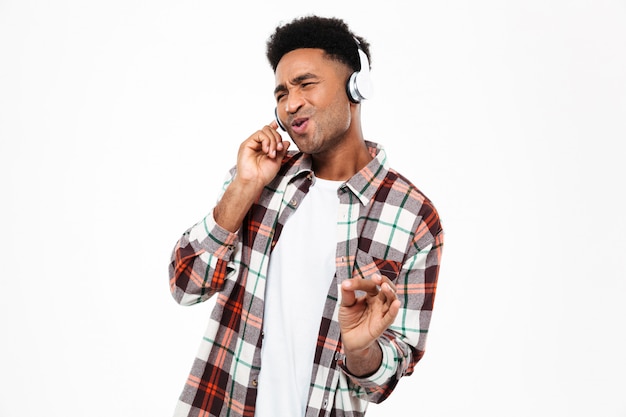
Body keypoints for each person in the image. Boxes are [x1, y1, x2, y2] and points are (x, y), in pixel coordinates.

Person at [169, 15, 444, 417]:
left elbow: (384, 378)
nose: (290, 102)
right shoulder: (259, 181)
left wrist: (360, 349)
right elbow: (185, 284)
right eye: (281, 93)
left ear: (356, 86)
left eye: (305, 84)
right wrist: (243, 188)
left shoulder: (414, 217)